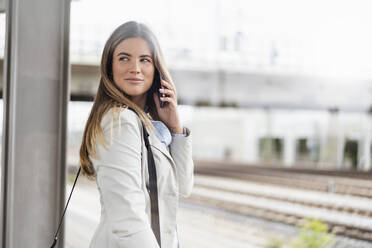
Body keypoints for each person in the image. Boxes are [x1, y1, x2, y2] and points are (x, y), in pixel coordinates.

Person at [79, 21, 194, 248]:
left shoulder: (147, 126)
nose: (135, 68)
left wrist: (175, 128)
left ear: (156, 69)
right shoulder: (120, 121)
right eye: (124, 58)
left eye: (145, 60)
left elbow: (183, 186)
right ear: (109, 67)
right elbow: (127, 218)